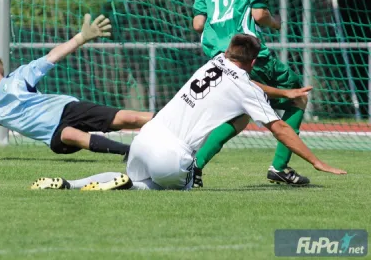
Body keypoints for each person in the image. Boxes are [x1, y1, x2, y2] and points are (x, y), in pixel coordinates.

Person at [31, 34, 346, 191]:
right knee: (148, 188)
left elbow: (246, 87)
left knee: (132, 177)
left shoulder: (214, 61)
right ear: (251, 63)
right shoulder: (246, 87)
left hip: (145, 139)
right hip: (173, 156)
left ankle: (71, 184)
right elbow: (280, 129)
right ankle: (138, 185)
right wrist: (318, 162)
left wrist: (276, 94)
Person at [0, 14, 153, 156]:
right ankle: (130, 153)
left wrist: (81, 37)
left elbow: (53, 56)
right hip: (54, 136)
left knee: (129, 118)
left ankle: (176, 119)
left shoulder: (20, 77)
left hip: (67, 109)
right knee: (69, 135)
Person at [191, 0, 312, 186]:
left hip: (219, 59)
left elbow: (198, 23)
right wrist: (275, 22)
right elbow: (259, 15)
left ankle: (194, 169)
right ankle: (280, 167)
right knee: (298, 98)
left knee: (239, 114)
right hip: (249, 56)